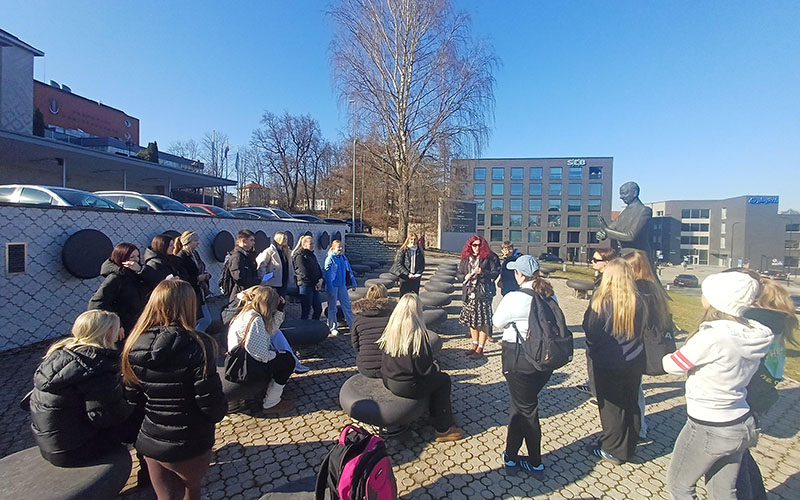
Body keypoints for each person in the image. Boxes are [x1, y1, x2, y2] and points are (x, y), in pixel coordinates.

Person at [663, 272, 772, 500]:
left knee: (680, 485)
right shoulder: (754, 334)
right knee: (723, 491)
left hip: (708, 424)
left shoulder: (713, 337)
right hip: (740, 421)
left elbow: (674, 364)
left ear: (717, 299)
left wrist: (665, 356)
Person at [122, 280, 226, 500]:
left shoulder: (134, 343)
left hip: (150, 439)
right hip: (189, 440)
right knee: (192, 491)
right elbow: (211, 402)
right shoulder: (199, 344)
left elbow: (132, 399)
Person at [29, 310, 138, 467]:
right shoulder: (97, 367)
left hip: (51, 446)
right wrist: (131, 395)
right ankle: (151, 472)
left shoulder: (60, 354)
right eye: (118, 327)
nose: (122, 331)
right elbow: (107, 417)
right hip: (77, 450)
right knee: (140, 418)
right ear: (109, 332)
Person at [493, 255, 566, 475]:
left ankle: (535, 462)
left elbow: (497, 322)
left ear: (519, 274)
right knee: (520, 406)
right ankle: (511, 456)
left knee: (527, 410)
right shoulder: (549, 294)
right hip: (544, 360)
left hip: (520, 359)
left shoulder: (515, 297)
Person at [734, 274, 798, 500]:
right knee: (740, 453)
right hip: (764, 392)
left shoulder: (758, 322)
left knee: (735, 457)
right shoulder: (778, 321)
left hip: (750, 392)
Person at [582, 258, 646, 465]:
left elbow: (591, 330)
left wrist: (593, 347)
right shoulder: (639, 299)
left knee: (611, 408)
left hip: (608, 361)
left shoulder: (602, 301)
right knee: (631, 403)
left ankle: (613, 449)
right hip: (634, 360)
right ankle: (630, 443)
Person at [379, 294, 464, 441]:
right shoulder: (418, 336)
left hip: (389, 380)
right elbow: (424, 371)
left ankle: (434, 413)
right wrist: (435, 367)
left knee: (433, 381)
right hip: (408, 386)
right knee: (443, 380)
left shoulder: (390, 331)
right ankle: (443, 428)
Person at [623, 249, 673, 441]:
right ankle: (640, 426)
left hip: (637, 349)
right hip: (648, 347)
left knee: (633, 393)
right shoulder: (655, 290)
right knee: (637, 392)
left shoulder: (639, 293)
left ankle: (635, 429)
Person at [227, 286, 298, 414]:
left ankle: (270, 391)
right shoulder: (256, 320)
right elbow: (260, 354)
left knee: (282, 357)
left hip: (241, 359)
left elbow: (271, 331)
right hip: (245, 366)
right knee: (288, 361)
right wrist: (276, 355)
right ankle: (271, 402)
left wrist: (280, 310)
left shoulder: (248, 313)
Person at [575, 247, 618, 401]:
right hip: (595, 327)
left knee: (597, 360)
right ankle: (594, 386)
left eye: (595, 260)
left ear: (607, 263)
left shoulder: (610, 282)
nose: (591, 262)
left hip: (602, 330)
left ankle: (600, 392)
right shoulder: (601, 279)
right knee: (591, 358)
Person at [88, 242, 147, 334]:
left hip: (139, 325)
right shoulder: (116, 278)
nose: (136, 260)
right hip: (123, 329)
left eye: (137, 256)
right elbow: (97, 303)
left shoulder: (139, 275)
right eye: (132, 257)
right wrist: (116, 324)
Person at [458, 235, 501, 358]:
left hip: (483, 294)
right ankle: (474, 345)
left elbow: (495, 273)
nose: (476, 247)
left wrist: (483, 272)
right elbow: (459, 273)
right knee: (472, 321)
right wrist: (463, 277)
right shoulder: (466, 258)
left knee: (483, 321)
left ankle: (480, 349)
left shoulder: (490, 257)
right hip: (469, 293)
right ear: (470, 246)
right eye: (474, 245)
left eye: (478, 245)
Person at [596, 181, 653, 257]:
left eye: (624, 193)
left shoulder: (644, 211)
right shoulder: (624, 212)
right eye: (620, 194)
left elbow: (630, 236)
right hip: (625, 257)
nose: (621, 197)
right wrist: (603, 233)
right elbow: (611, 228)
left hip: (639, 258)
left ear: (635, 193)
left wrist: (606, 230)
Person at [351, 284, 397, 378]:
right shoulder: (393, 314)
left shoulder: (359, 316)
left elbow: (356, 345)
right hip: (390, 366)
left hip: (366, 367)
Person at [174, 231, 212, 332]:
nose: (198, 243)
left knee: (204, 319)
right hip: (190, 292)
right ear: (187, 242)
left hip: (199, 291)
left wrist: (206, 276)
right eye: (195, 240)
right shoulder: (181, 256)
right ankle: (193, 338)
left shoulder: (194, 254)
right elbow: (182, 276)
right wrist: (197, 278)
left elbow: (200, 267)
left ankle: (195, 338)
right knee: (203, 320)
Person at [323, 239, 357, 336]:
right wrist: (330, 289)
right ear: (333, 248)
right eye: (338, 247)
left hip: (342, 285)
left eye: (341, 247)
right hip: (333, 286)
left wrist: (353, 282)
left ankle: (352, 326)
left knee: (347, 306)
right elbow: (328, 275)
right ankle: (332, 327)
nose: (340, 249)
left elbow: (349, 270)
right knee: (332, 308)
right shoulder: (330, 259)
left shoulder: (343, 258)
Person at [292, 234, 324, 321]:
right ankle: (304, 330)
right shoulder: (299, 255)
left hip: (315, 284)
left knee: (318, 309)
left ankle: (315, 326)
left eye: (313, 243)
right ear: (304, 244)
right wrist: (316, 282)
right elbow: (304, 272)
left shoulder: (311, 255)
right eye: (311, 244)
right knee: (306, 310)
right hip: (305, 284)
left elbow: (318, 268)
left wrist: (320, 279)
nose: (313, 245)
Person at [227, 229, 261, 299]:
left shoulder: (248, 255)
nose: (253, 243)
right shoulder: (237, 257)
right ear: (243, 241)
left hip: (250, 291)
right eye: (251, 240)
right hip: (240, 294)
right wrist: (257, 281)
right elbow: (239, 278)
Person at [256, 232, 291, 297]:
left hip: (284, 279)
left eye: (286, 239)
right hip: (273, 280)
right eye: (284, 238)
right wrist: (264, 278)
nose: (286, 240)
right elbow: (262, 264)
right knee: (273, 300)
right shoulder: (270, 251)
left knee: (282, 300)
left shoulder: (286, 251)